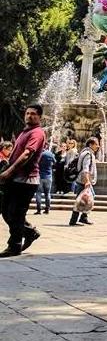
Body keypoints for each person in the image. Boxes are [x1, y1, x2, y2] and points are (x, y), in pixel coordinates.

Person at [0, 105, 46, 257]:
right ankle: (30, 232)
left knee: (16, 213)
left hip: (27, 180)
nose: (29, 116)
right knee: (6, 211)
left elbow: (27, 154)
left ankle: (15, 245)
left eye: (33, 114)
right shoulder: (25, 131)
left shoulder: (37, 133)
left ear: (39, 117)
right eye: (27, 113)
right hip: (16, 178)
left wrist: (9, 171)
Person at [68, 138, 100, 226]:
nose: (98, 146)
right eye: (96, 144)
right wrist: (87, 181)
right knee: (81, 199)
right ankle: (74, 220)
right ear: (90, 145)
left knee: (86, 198)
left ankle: (83, 217)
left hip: (82, 180)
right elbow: (85, 169)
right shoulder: (88, 154)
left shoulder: (85, 152)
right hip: (83, 181)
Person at [34, 146, 55, 215]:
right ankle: (47, 209)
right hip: (48, 177)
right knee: (47, 193)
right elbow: (54, 162)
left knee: (38, 193)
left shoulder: (39, 154)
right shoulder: (50, 154)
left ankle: (39, 209)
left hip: (39, 176)